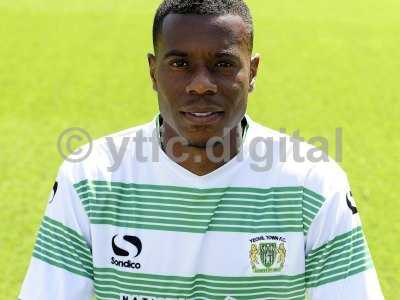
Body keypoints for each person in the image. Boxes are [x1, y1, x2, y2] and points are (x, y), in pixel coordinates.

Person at [19, 0, 384, 299]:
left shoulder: (312, 184)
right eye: (179, 64)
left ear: (252, 72)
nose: (200, 85)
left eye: (223, 64)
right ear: (152, 71)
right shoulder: (90, 178)